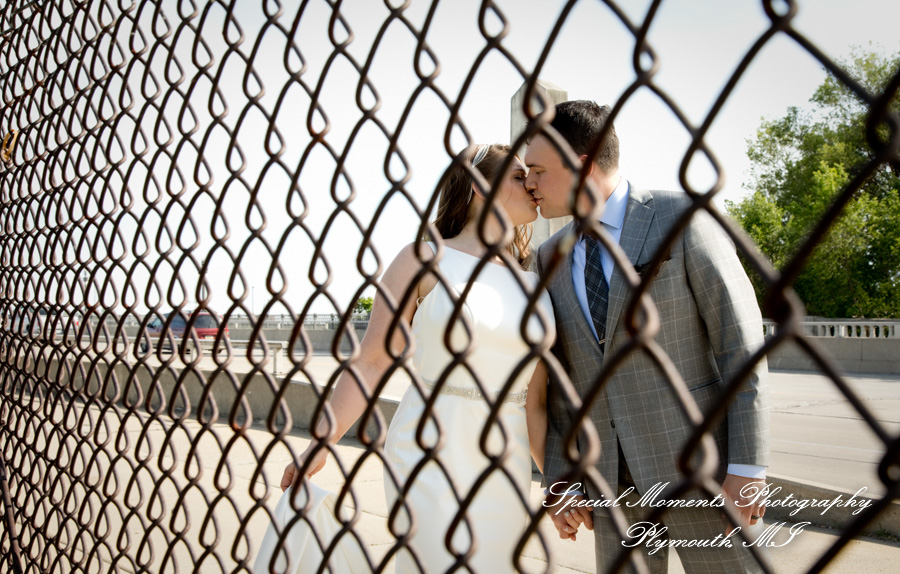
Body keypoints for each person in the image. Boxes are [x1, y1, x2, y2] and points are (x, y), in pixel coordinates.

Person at [255, 144, 556, 573]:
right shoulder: (423, 258)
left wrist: (562, 483)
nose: (531, 184)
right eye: (516, 175)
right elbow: (372, 362)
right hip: (428, 450)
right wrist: (322, 442)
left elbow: (536, 404)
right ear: (478, 186)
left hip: (505, 462)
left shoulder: (535, 286)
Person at [524, 101, 771, 573]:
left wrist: (749, 466)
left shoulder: (682, 217)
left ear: (581, 162)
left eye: (537, 169)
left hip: (703, 472)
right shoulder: (547, 256)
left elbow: (740, 345)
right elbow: (561, 385)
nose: (529, 182)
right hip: (612, 486)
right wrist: (561, 479)